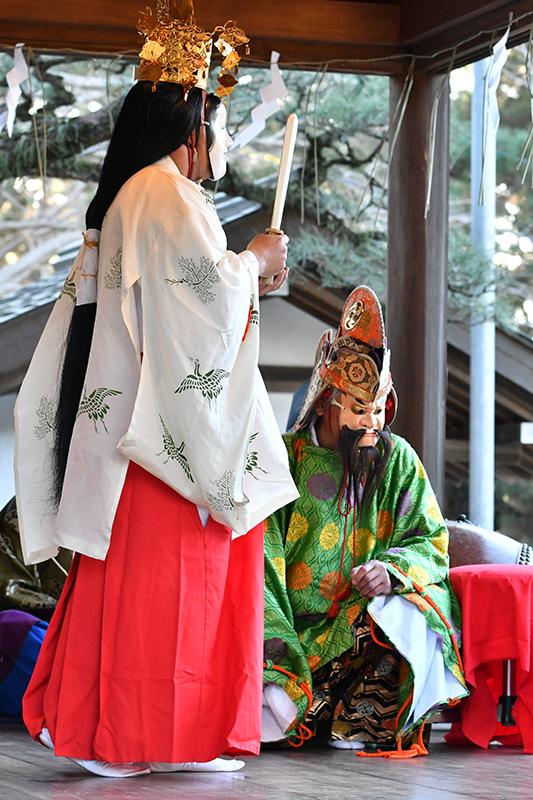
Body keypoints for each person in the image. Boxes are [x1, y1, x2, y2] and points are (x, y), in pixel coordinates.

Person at [14, 3, 298, 778]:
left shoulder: (129, 196)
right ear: (190, 127)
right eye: (217, 125)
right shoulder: (167, 196)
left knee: (141, 592)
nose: (222, 145)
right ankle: (141, 737)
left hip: (135, 427)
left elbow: (180, 305)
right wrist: (256, 261)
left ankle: (150, 733)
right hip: (163, 437)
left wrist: (245, 279)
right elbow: (203, 300)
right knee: (169, 594)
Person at [262, 286, 467, 757]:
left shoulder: (398, 462)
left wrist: (392, 572)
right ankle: (284, 699)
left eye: (378, 409)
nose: (371, 424)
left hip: (360, 625)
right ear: (326, 402)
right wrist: (278, 648)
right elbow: (261, 559)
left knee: (415, 607)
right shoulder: (282, 460)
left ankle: (356, 722)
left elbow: (430, 539)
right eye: (358, 410)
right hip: (290, 641)